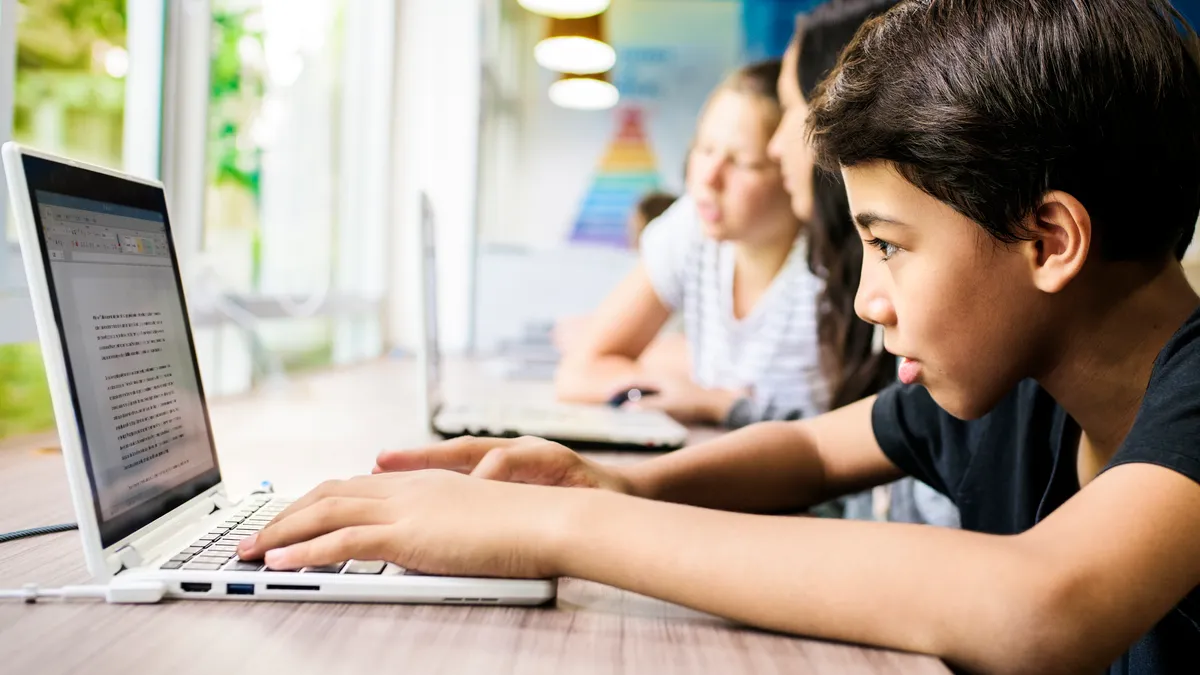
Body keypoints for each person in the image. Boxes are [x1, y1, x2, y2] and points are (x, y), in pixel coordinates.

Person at [238, 1, 1200, 672]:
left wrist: (561, 527)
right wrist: (617, 480)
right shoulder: (1022, 381)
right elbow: (808, 449)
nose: (869, 299)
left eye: (890, 245)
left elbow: (1046, 603)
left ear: (1048, 239)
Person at [556, 60, 832, 429]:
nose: (708, 177)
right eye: (704, 148)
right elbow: (581, 370)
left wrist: (712, 401)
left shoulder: (832, 264)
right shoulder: (692, 226)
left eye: (742, 162)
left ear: (794, 168)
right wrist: (672, 390)